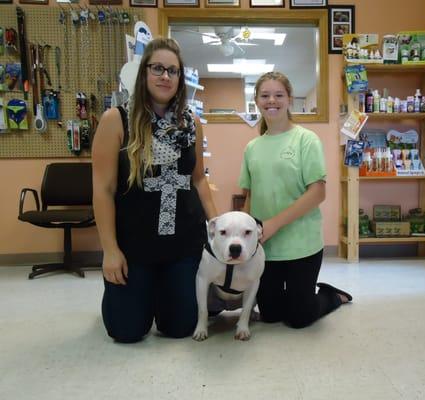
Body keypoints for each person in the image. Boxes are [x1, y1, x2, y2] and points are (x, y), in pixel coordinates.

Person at [92, 38, 217, 343]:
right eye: (158, 68)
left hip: (182, 243)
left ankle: (164, 291)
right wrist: (110, 250)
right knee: (127, 331)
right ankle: (138, 294)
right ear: (144, 73)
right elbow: (103, 189)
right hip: (135, 246)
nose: (165, 76)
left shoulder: (192, 122)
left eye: (172, 71)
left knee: (179, 328)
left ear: (180, 78)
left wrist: (216, 230)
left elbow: (198, 179)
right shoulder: (116, 120)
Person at [238, 71, 352, 329]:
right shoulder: (252, 148)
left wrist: (274, 224)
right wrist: (244, 238)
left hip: (303, 245)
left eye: (278, 95)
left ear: (289, 99)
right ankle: (297, 297)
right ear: (256, 100)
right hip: (267, 247)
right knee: (271, 315)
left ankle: (331, 295)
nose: (272, 101)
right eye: (265, 95)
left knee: (299, 319)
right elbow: (249, 197)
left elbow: (318, 192)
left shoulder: (306, 139)